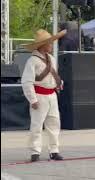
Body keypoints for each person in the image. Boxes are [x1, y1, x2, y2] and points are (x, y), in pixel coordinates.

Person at [21, 29, 66, 162]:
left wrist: (59, 83)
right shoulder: (32, 61)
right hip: (39, 96)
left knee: (54, 124)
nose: (51, 45)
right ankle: (35, 152)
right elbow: (27, 81)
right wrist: (32, 99)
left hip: (52, 95)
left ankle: (54, 151)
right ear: (42, 45)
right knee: (37, 125)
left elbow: (53, 77)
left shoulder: (51, 58)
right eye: (49, 43)